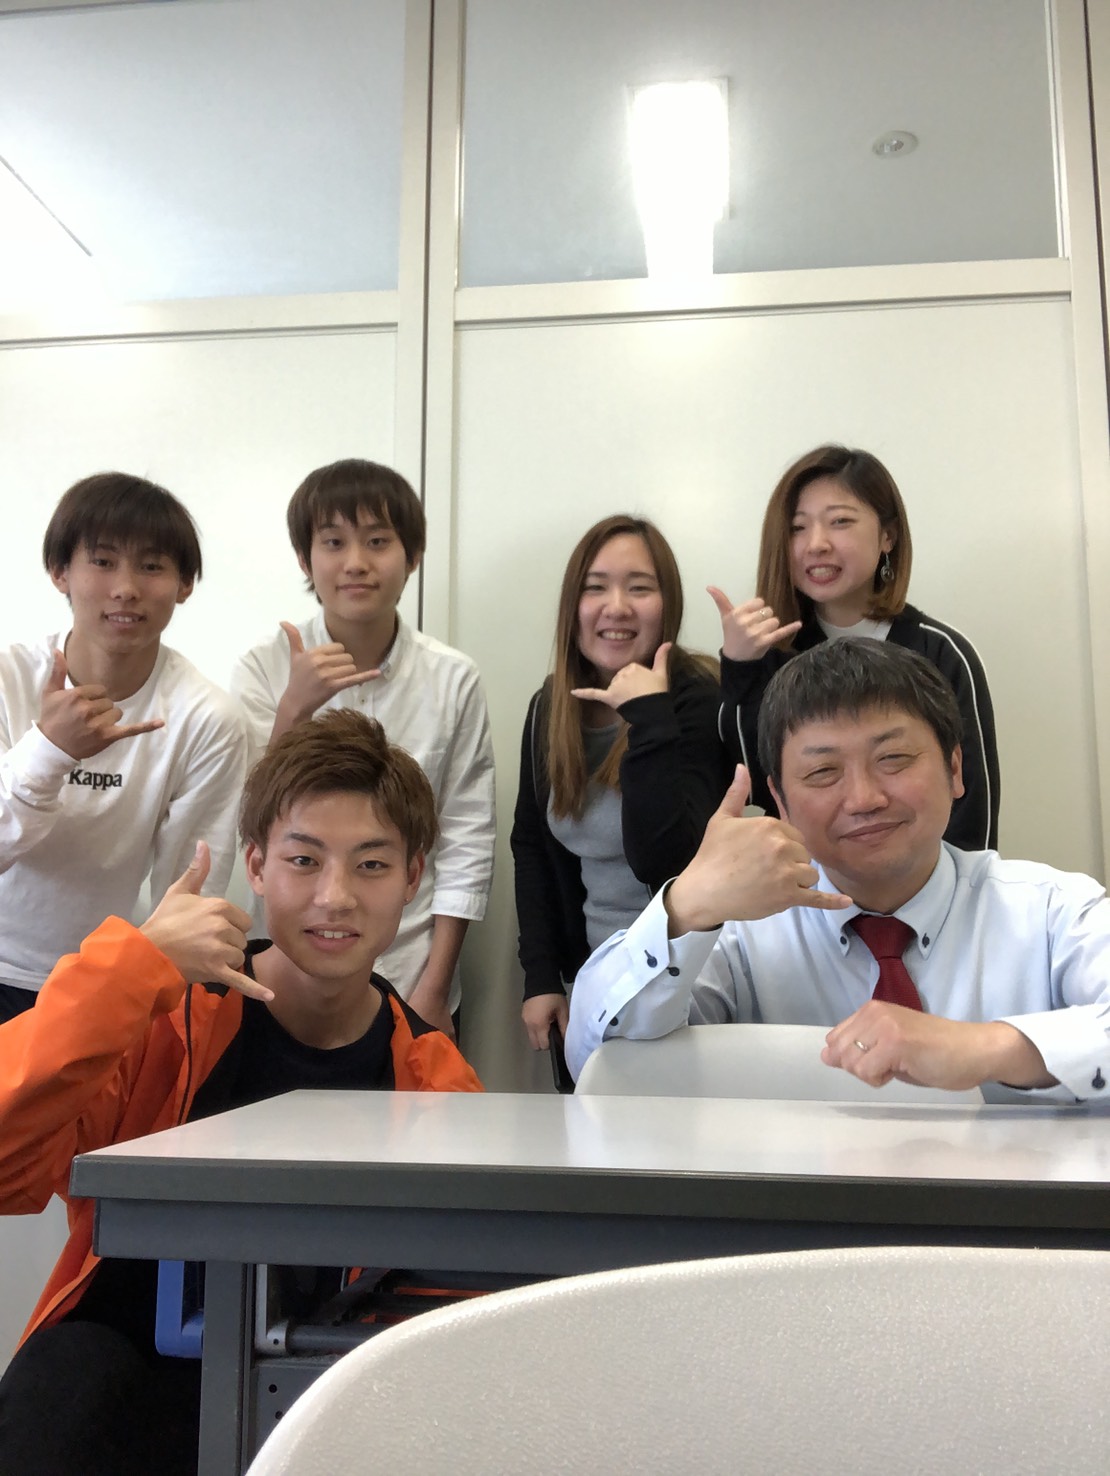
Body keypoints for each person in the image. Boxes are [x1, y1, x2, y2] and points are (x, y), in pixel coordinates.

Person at [0, 708, 481, 1476]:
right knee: (63, 1377)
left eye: (371, 865)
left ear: (413, 879)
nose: (335, 897)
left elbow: (450, 1319)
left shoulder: (436, 1081)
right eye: (303, 860)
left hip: (322, 1405)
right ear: (255, 866)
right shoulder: (165, 1021)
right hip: (123, 1379)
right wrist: (137, 965)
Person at [566, 638, 1110, 1103]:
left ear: (954, 767)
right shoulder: (741, 933)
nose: (865, 798)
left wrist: (986, 1047)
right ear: (779, 799)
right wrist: (686, 905)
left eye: (893, 759)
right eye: (823, 771)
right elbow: (596, 1060)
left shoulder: (1050, 909)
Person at [230, 459, 495, 1035]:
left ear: (413, 555)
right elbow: (248, 822)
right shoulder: (263, 667)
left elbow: (466, 839)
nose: (355, 562)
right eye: (333, 542)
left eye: (377, 541)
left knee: (420, 1097)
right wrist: (294, 710)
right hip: (289, 973)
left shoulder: (452, 678)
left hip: (413, 969)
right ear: (305, 559)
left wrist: (434, 990)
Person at [0, 471, 247, 1020]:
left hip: (104, 981)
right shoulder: (7, 680)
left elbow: (188, 889)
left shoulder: (206, 717)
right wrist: (50, 749)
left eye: (152, 566)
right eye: (103, 561)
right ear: (60, 572)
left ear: (184, 584)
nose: (126, 587)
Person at [513, 513, 731, 1052]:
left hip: (691, 978)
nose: (616, 607)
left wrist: (650, 718)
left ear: (667, 606)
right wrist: (541, 977)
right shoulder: (550, 707)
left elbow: (667, 862)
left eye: (639, 587)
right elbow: (532, 847)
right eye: (596, 588)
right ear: (573, 607)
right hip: (594, 978)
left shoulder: (700, 699)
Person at [709, 444, 999, 850]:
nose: (816, 544)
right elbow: (757, 786)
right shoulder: (773, 654)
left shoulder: (940, 652)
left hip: (928, 881)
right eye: (797, 528)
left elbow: (972, 812)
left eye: (840, 521)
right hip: (811, 881)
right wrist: (741, 666)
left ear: (888, 536)